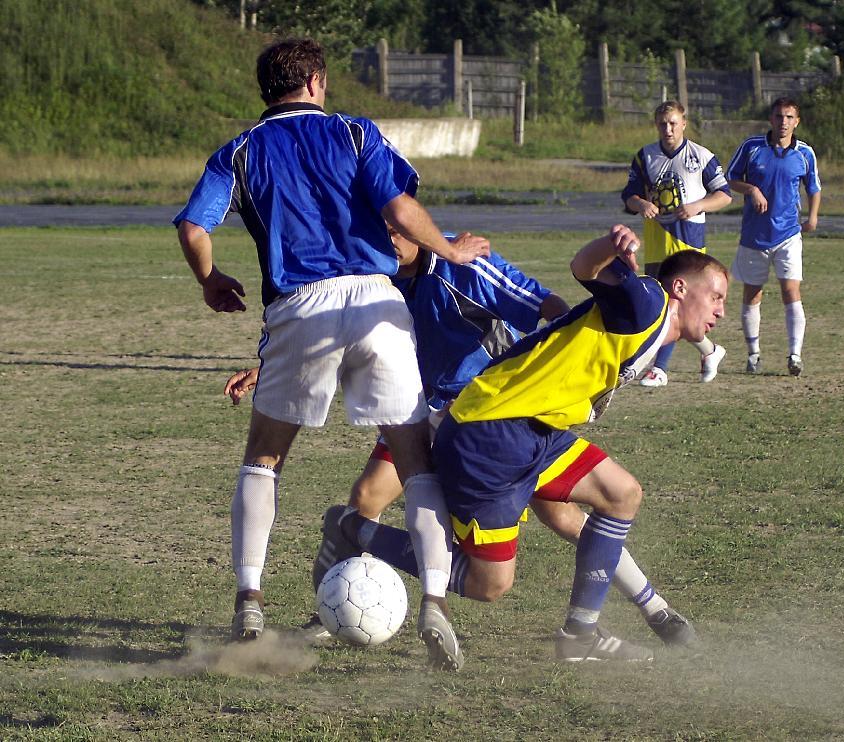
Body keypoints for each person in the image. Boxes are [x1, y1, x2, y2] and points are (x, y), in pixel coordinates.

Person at [228, 227, 699, 652]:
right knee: (367, 498)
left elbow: (545, 304)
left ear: (415, 222)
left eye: (395, 227)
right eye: (381, 229)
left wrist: (556, 369)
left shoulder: (463, 263)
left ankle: (652, 606)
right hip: (428, 411)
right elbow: (328, 335)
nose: (387, 239)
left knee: (571, 517)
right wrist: (270, 368)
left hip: (491, 409)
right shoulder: (375, 278)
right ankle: (332, 613)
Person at [173, 37, 489, 647]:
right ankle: (433, 604)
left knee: (264, 457)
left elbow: (193, 227)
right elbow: (399, 209)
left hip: (302, 306)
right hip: (376, 299)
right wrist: (448, 250)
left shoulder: (239, 151)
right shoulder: (354, 133)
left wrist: (210, 280)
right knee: (415, 458)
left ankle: (249, 601)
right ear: (315, 81)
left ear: (267, 88)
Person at [622, 100, 732, 386]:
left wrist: (698, 205)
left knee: (674, 305)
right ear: (656, 125)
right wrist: (641, 204)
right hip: (658, 241)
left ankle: (659, 368)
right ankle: (709, 351)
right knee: (661, 305)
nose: (668, 129)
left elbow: (724, 195)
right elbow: (629, 197)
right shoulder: (645, 157)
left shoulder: (702, 157)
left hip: (689, 242)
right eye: (662, 124)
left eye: (673, 123)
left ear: (684, 123)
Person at [725, 96, 821, 376]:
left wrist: (812, 216)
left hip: (788, 234)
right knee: (753, 292)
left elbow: (813, 187)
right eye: (779, 116)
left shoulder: (805, 153)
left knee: (791, 291)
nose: (784, 122)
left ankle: (795, 354)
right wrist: (752, 190)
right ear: (771, 119)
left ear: (797, 121)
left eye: (789, 117)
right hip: (754, 235)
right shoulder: (752, 147)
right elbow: (730, 177)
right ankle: (753, 353)